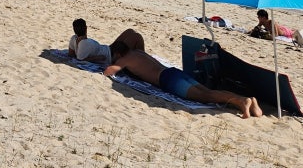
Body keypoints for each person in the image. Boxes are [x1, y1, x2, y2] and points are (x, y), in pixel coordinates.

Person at [105, 42, 262, 118]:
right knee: (208, 92)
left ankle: (241, 101)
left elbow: (108, 71)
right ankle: (248, 100)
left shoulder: (124, 59)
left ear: (118, 53)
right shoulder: (138, 52)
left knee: (206, 97)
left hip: (168, 79)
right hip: (173, 72)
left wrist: (111, 63)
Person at [68, 19, 145, 66]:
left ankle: (141, 58)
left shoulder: (74, 38)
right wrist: (96, 58)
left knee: (130, 31)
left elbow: (71, 54)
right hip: (111, 55)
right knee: (137, 37)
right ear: (86, 28)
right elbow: (80, 60)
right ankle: (144, 62)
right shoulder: (85, 43)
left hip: (109, 48)